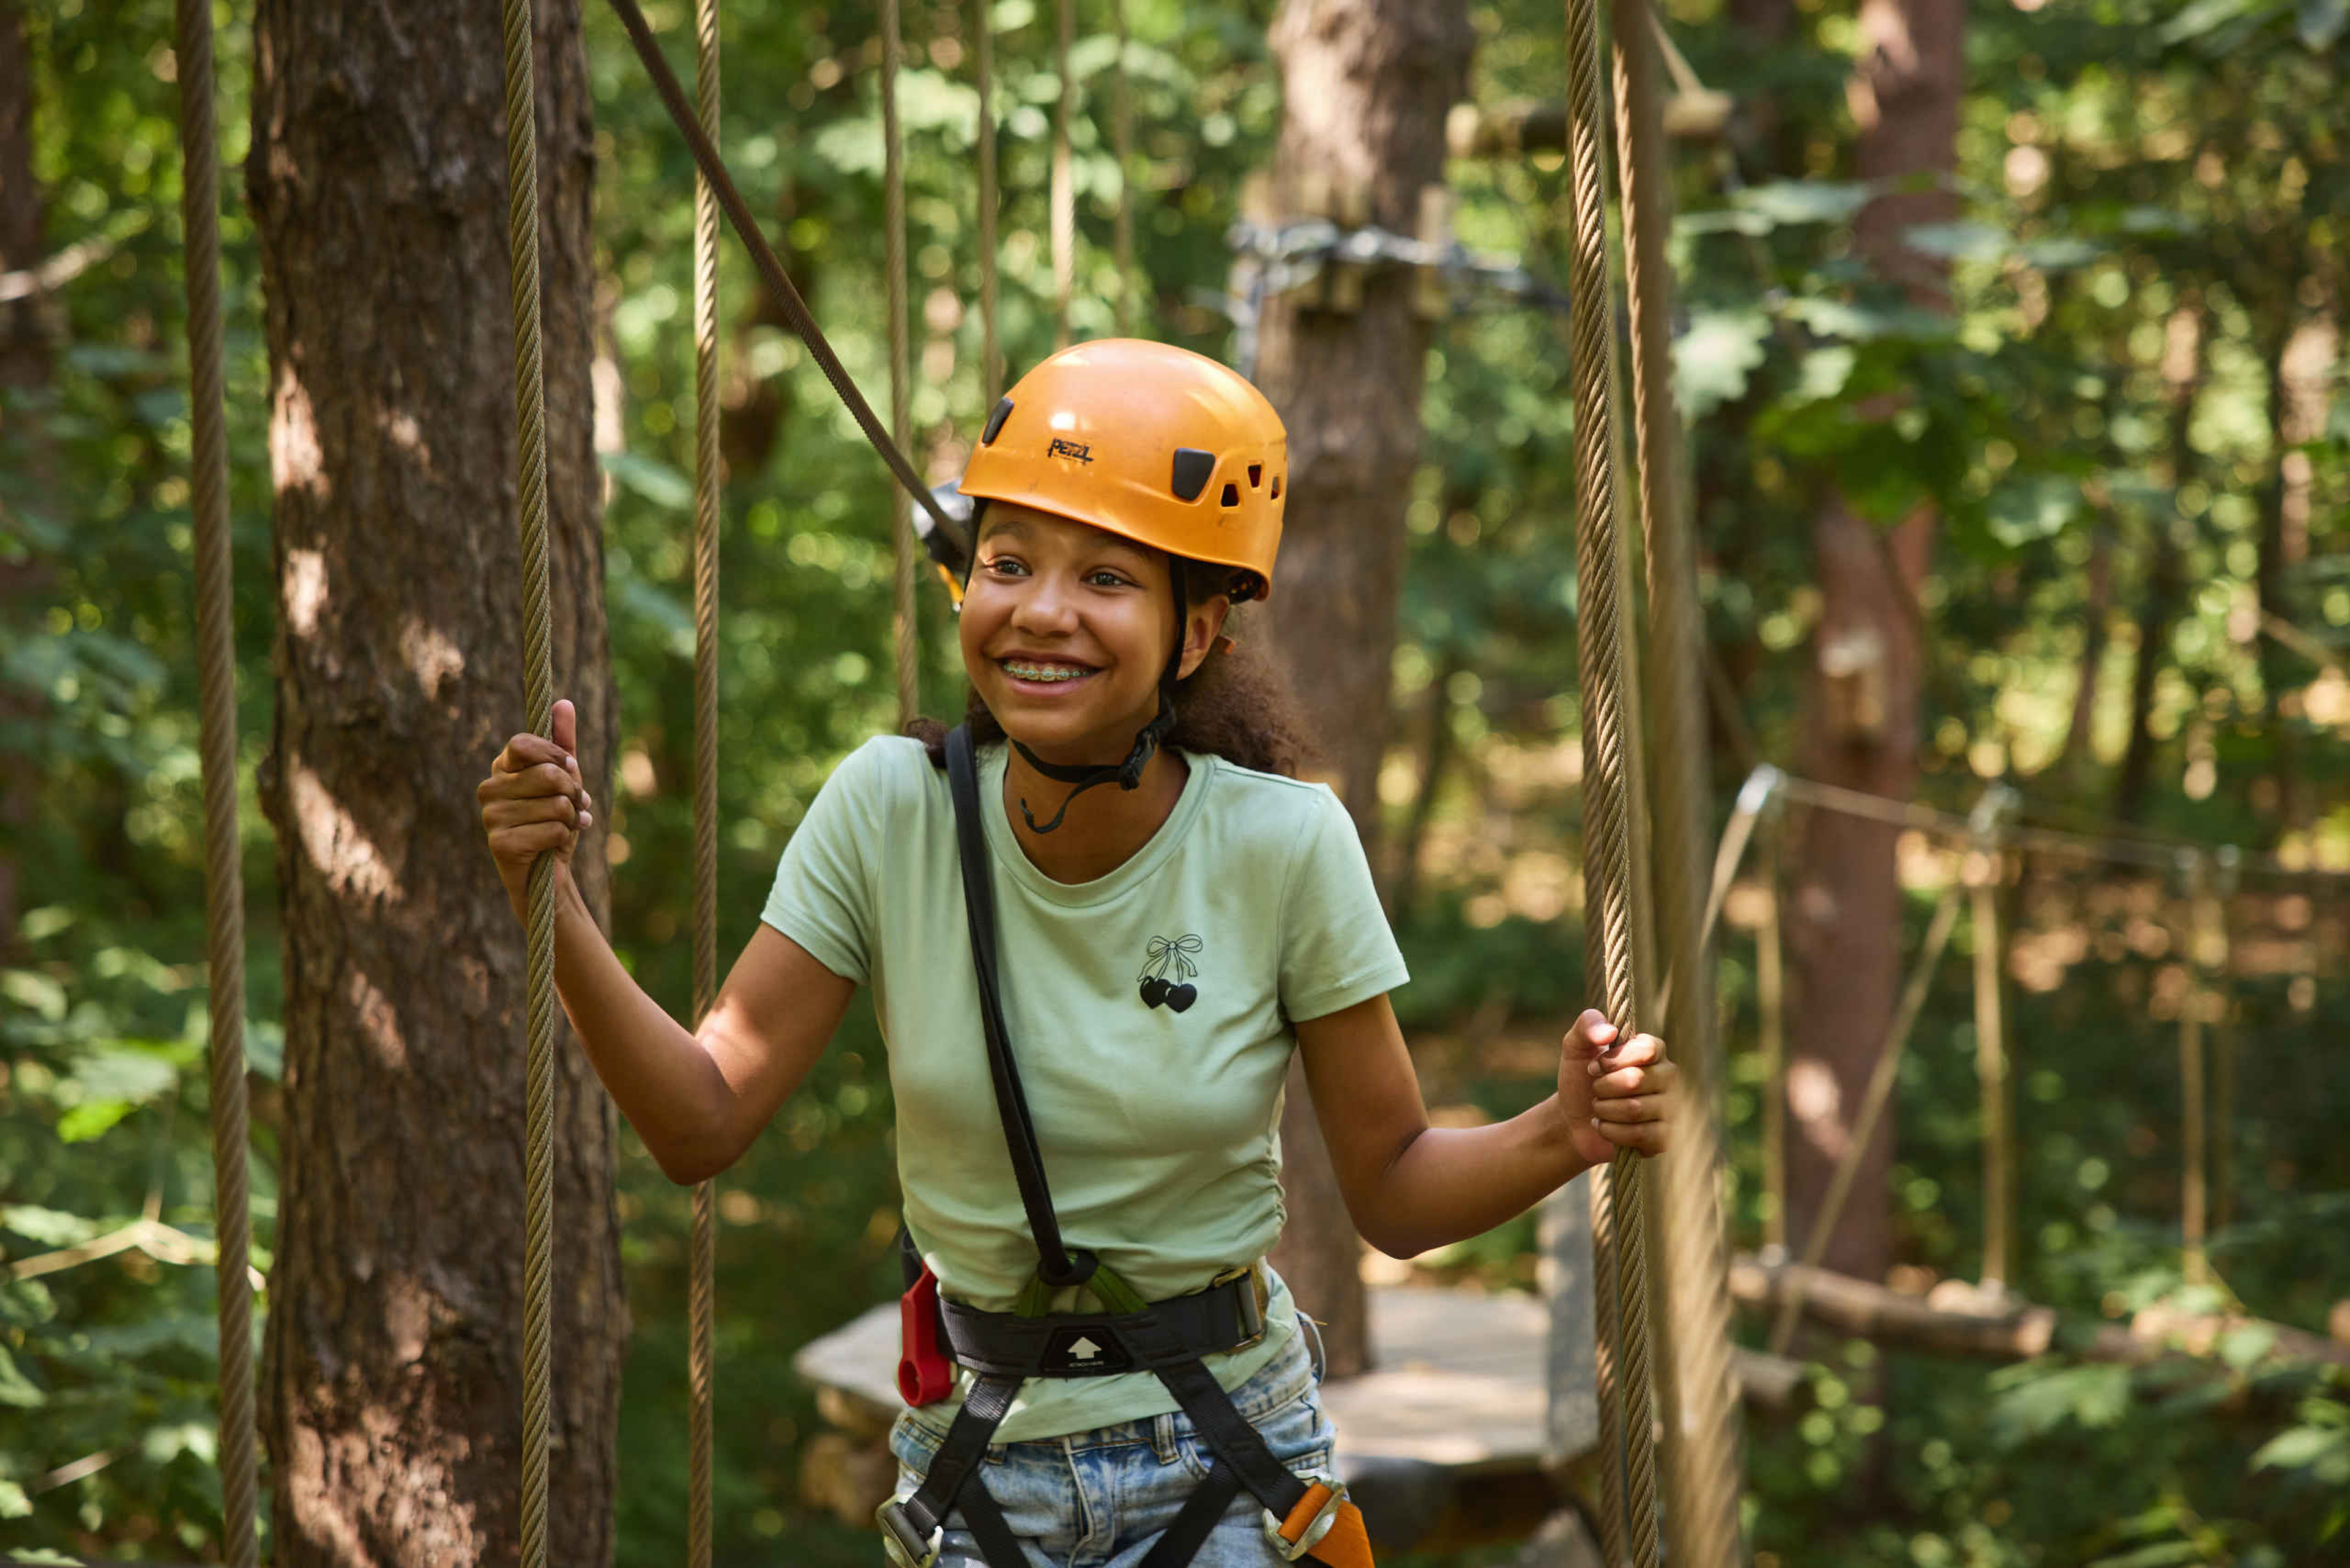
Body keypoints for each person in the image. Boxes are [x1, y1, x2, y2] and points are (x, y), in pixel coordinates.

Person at [477, 338, 1675, 1567]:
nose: (1041, 610)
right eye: (1007, 563)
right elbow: (701, 1119)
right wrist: (550, 899)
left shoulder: (1280, 844)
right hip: (975, 1463)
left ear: (1195, 632)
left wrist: (1560, 1130)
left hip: (1226, 1453)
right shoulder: (889, 812)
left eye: (1105, 577)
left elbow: (1396, 1187)